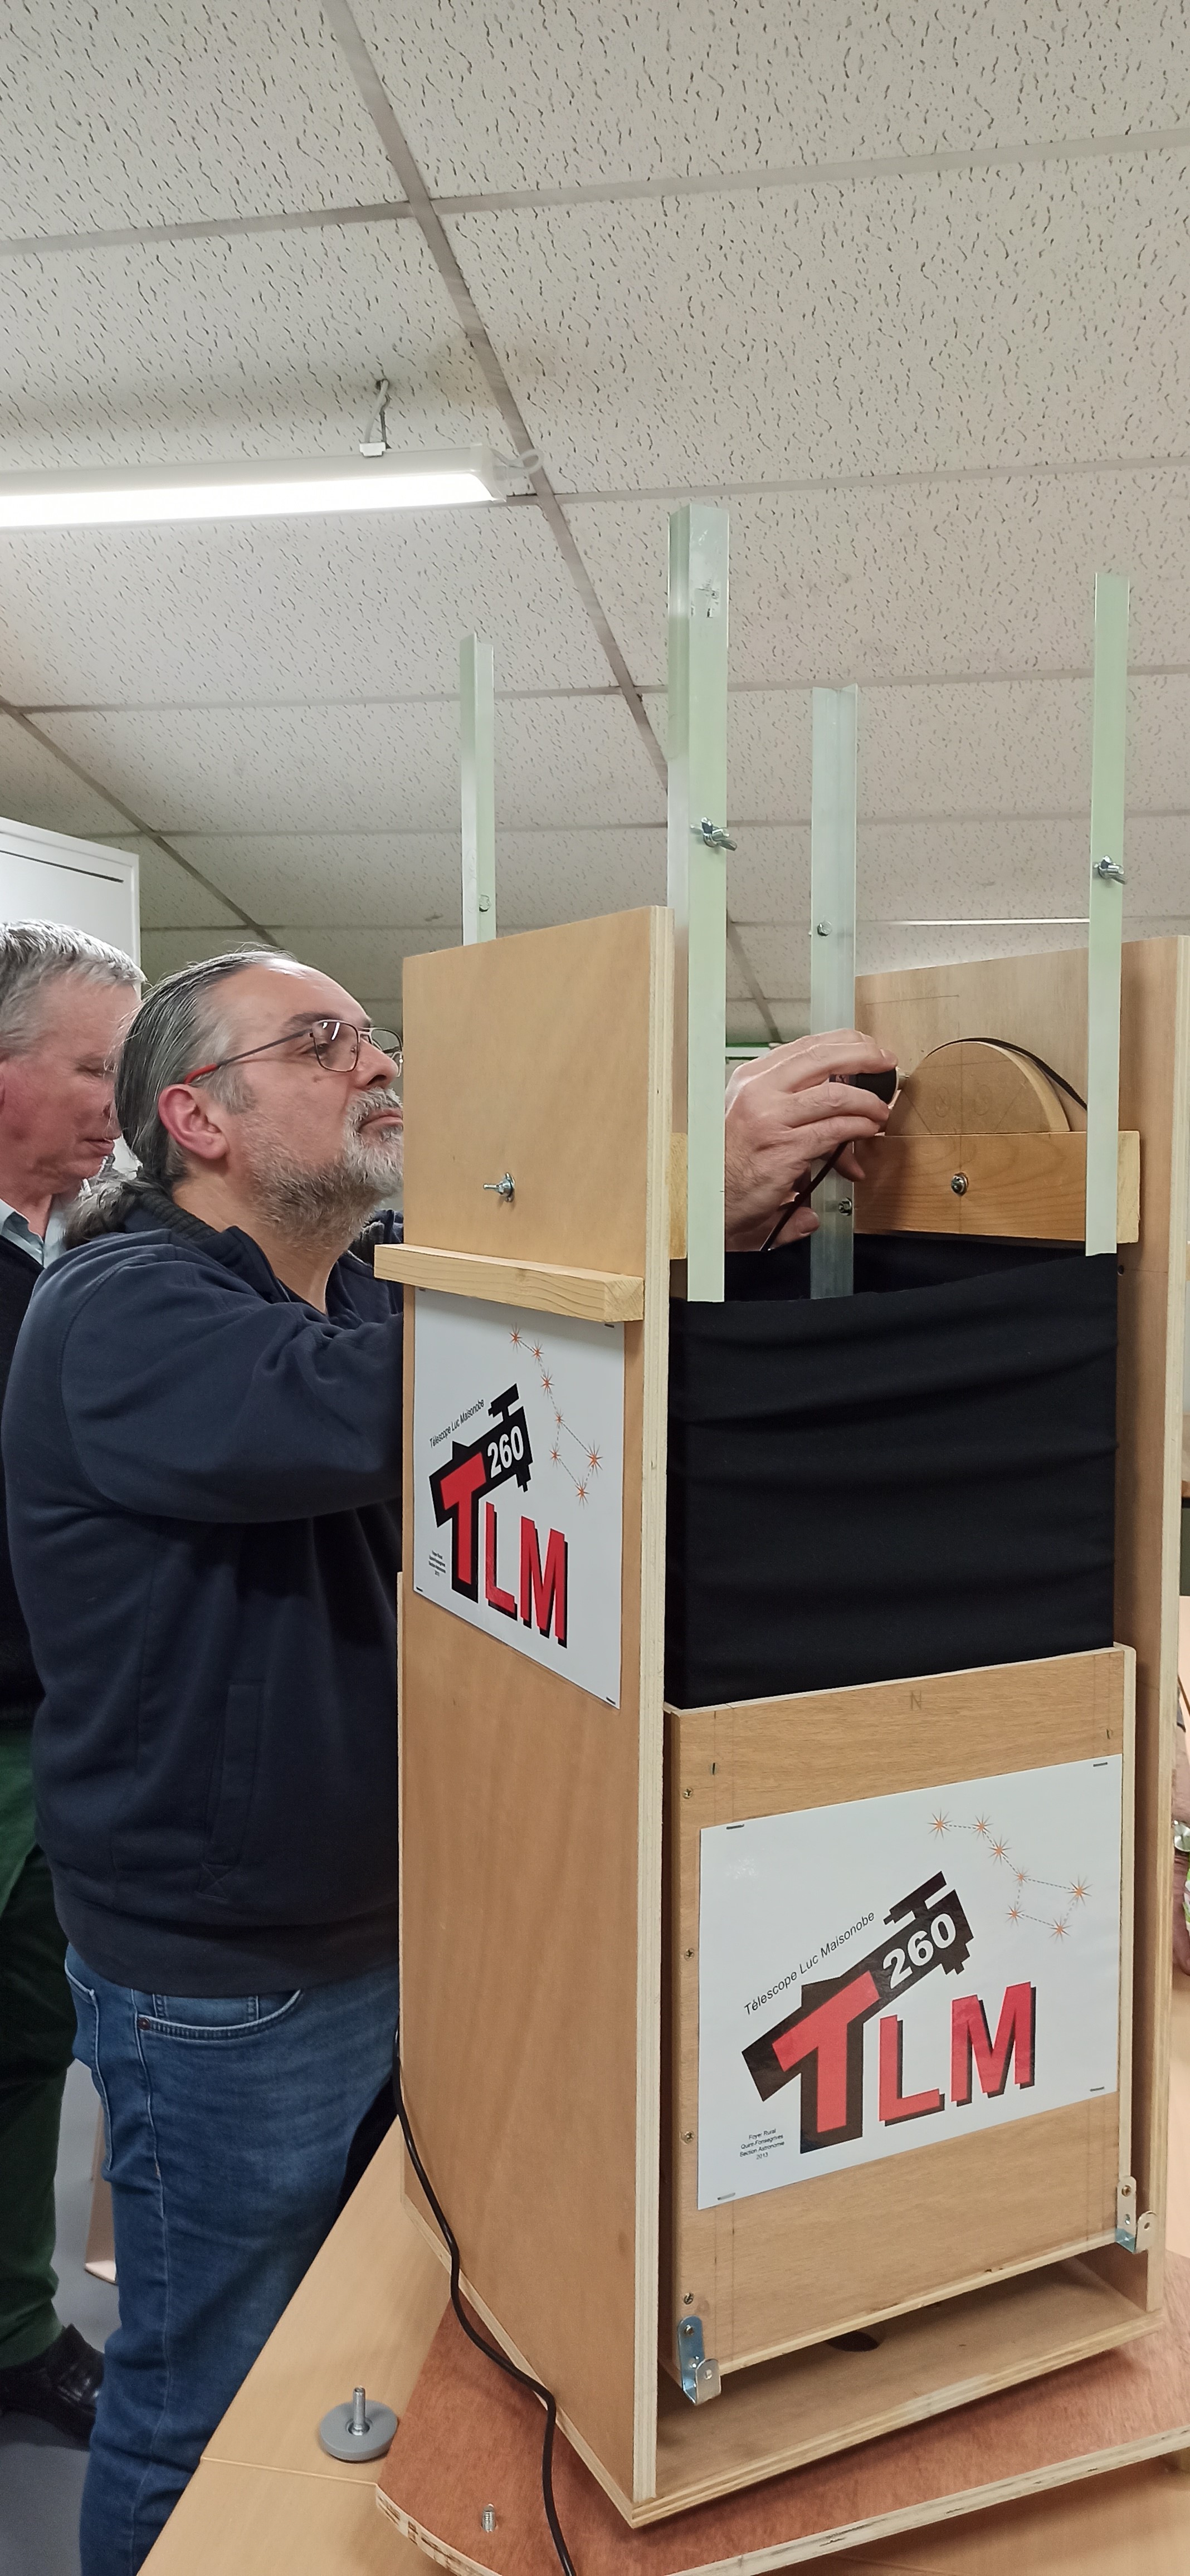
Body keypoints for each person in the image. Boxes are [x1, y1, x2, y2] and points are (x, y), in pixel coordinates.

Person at [2, 943, 892, 2572]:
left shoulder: (352, 1281)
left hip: (388, 1921)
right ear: (196, 1117)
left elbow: (516, 1350)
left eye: (371, 1035)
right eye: (320, 1042)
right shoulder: (118, 1311)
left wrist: (737, 1236)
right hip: (227, 1972)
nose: (375, 1062)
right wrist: (679, 1191)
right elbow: (392, 1397)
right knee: (206, 2389)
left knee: (359, 2334)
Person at [0, 922, 141, 2445]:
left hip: (65, 1729)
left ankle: (14, 2330)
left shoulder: (91, 1258)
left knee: (32, 2047)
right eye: (95, 1066)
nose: (124, 1100)